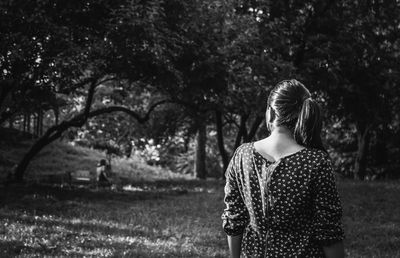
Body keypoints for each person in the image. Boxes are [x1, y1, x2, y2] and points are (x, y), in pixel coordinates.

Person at [221, 79, 345, 258]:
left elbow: (234, 219)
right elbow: (328, 231)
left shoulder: (242, 155)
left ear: (270, 112)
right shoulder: (316, 162)